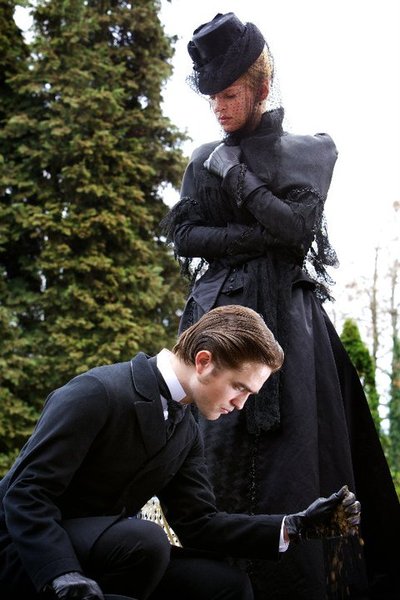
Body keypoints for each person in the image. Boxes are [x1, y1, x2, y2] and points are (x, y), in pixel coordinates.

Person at [161, 12, 400, 600]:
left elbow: (296, 231)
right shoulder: (202, 158)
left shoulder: (307, 152)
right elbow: (185, 236)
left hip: (290, 325)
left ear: (262, 86)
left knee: (297, 455)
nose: (219, 109)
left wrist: (237, 179)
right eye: (212, 97)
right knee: (212, 449)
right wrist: (254, 235)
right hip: (213, 317)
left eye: (230, 95)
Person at [0, 305, 361, 600]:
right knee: (146, 541)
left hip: (115, 556)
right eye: (239, 387)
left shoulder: (185, 429)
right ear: (204, 361)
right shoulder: (96, 392)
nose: (241, 404)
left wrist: (295, 525)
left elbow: (198, 523)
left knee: (225, 585)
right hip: (32, 555)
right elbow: (25, 493)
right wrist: (61, 572)